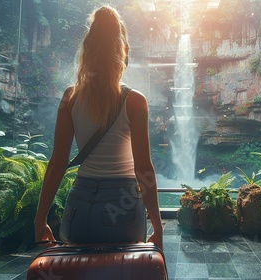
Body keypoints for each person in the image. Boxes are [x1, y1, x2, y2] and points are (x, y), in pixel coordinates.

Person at [34, 5, 163, 250]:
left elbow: (57, 163)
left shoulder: (69, 98)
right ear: (124, 52)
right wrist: (157, 227)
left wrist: (40, 220)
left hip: (78, 209)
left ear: (88, 50)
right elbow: (144, 169)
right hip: (121, 209)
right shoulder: (135, 101)